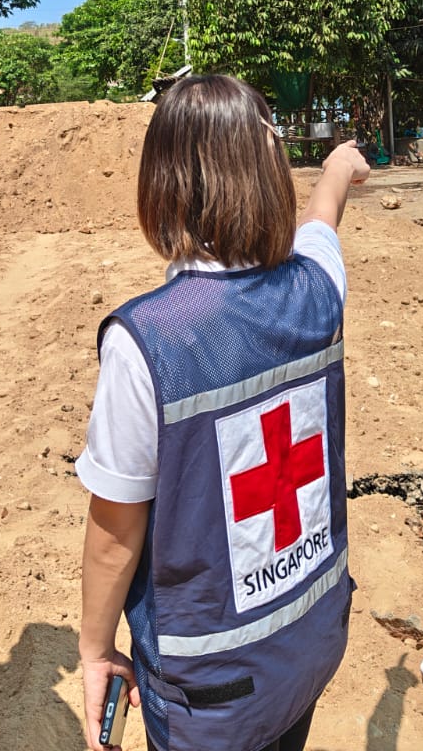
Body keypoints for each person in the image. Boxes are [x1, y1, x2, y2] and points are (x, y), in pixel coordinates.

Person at [76, 75, 370, 751]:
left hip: (212, 694)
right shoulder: (318, 286)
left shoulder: (146, 343)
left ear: (163, 184)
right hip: (307, 648)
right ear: (270, 175)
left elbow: (116, 530)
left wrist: (95, 650)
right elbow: (321, 223)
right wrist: (336, 170)